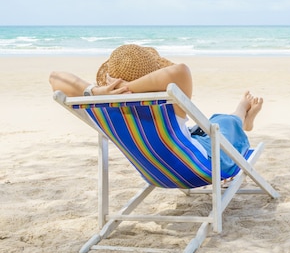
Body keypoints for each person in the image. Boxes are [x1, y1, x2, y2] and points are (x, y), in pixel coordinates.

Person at [49, 44, 263, 176]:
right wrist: (126, 89)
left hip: (154, 171)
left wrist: (100, 92)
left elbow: (55, 78)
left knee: (210, 125)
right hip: (198, 165)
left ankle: (242, 117)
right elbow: (181, 70)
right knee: (221, 124)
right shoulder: (166, 103)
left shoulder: (103, 105)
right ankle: (242, 115)